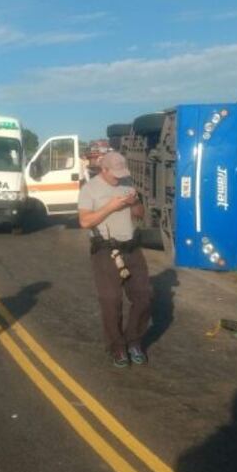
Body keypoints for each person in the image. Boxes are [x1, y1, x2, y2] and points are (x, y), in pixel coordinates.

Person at [78, 152, 152, 368]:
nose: (119, 177)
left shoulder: (126, 183)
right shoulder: (89, 189)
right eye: (115, 173)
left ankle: (133, 341)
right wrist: (111, 206)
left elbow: (139, 213)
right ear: (104, 169)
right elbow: (84, 221)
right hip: (105, 249)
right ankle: (117, 347)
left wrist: (134, 202)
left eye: (122, 173)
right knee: (111, 301)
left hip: (131, 247)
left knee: (145, 297)